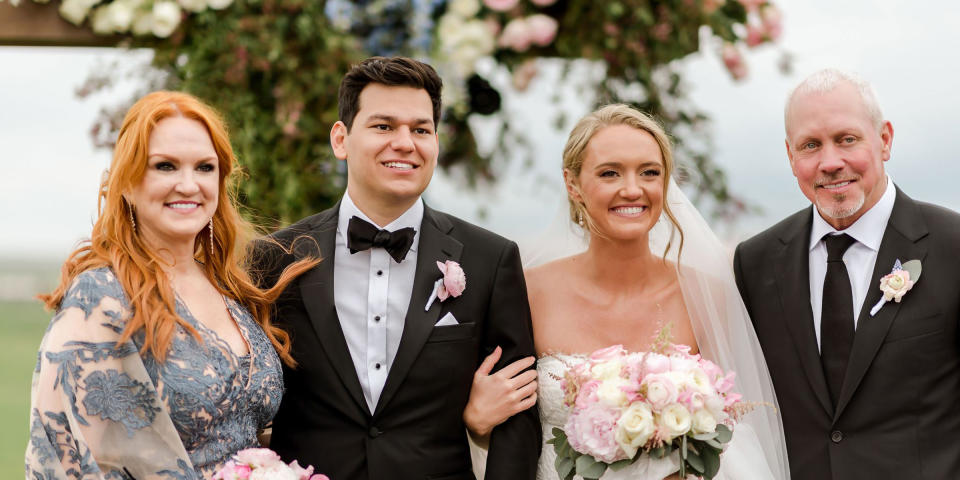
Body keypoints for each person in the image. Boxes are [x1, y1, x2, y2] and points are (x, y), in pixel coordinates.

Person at [251, 56, 541, 480]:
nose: (405, 143)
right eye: (384, 126)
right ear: (341, 139)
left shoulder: (490, 259)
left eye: (420, 129)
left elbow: (519, 413)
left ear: (436, 143)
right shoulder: (275, 259)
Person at [464, 104, 791, 479]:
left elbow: (735, 435)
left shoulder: (707, 295)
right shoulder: (527, 292)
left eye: (649, 172)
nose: (632, 189)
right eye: (609, 173)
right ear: (573, 185)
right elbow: (509, 436)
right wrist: (476, 423)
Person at [25, 91, 316, 478]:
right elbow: (75, 462)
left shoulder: (231, 290)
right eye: (165, 166)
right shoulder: (101, 297)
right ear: (126, 183)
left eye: (204, 168)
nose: (188, 184)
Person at [733, 69, 960, 479]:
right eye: (811, 145)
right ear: (790, 156)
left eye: (847, 139)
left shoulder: (953, 246)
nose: (830, 162)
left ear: (885, 139)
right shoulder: (755, 262)